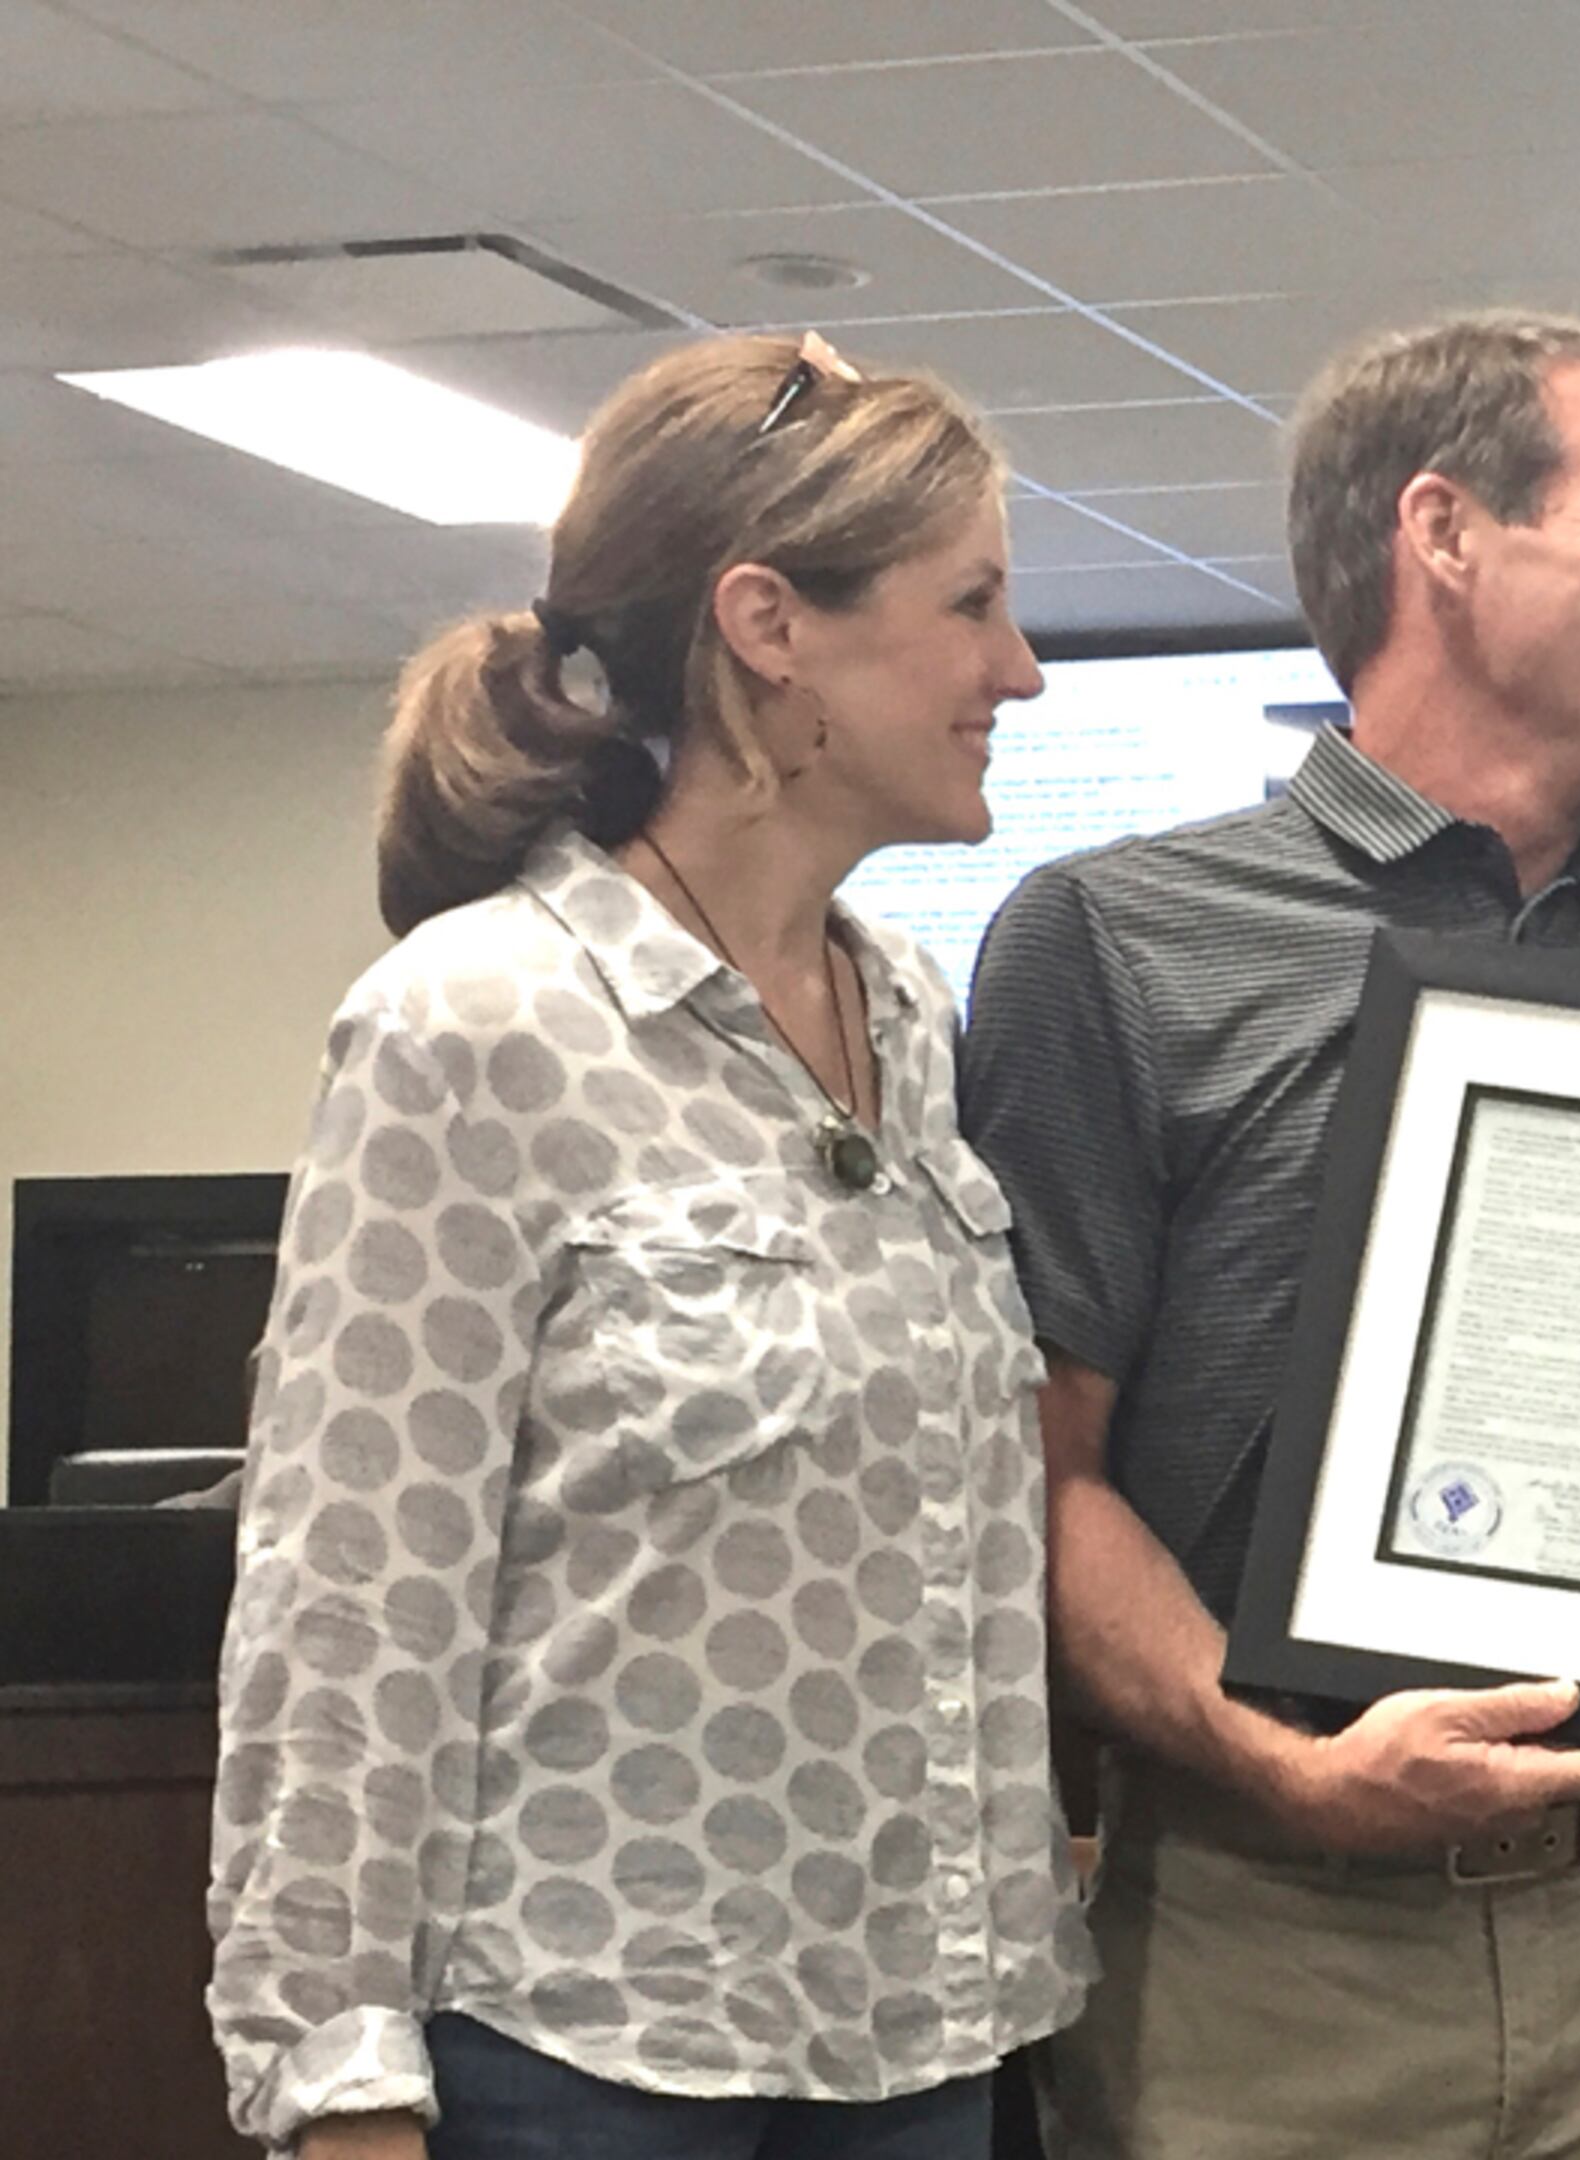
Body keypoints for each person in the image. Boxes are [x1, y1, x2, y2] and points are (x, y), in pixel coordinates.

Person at [958, 312, 1580, 2160]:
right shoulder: (1113, 943)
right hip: (1273, 1965)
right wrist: (1283, 1764)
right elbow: (1035, 1486)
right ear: (1445, 534)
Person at [206, 333, 1086, 2159]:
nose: (1019, 668)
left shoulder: (908, 1012)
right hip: (587, 2058)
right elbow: (351, 1607)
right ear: (771, 626)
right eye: (975, 603)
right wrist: (338, 2083)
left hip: (921, 2042)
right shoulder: (476, 1026)